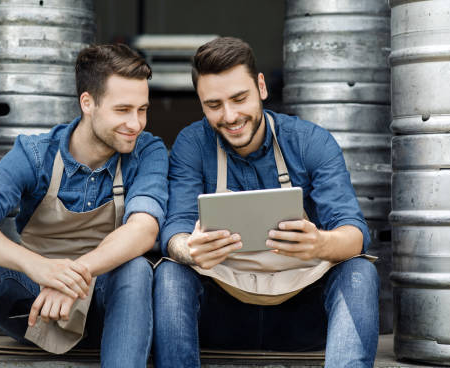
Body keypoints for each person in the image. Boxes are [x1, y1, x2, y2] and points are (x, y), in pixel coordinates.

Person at [0, 44, 168, 367]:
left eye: (142, 109)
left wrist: (74, 275)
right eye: (123, 110)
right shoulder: (35, 154)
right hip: (35, 309)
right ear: (87, 103)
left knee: (136, 269)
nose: (136, 123)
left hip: (104, 314)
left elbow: (143, 230)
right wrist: (39, 267)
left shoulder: (147, 152)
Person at [153, 37, 378, 367]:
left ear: (261, 87)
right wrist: (188, 248)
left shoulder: (310, 141)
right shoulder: (191, 143)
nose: (230, 116)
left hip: (302, 313)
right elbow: (174, 228)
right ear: (201, 104)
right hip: (222, 314)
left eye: (239, 98)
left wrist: (320, 243)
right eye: (214, 105)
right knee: (170, 273)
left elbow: (354, 233)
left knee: (360, 270)